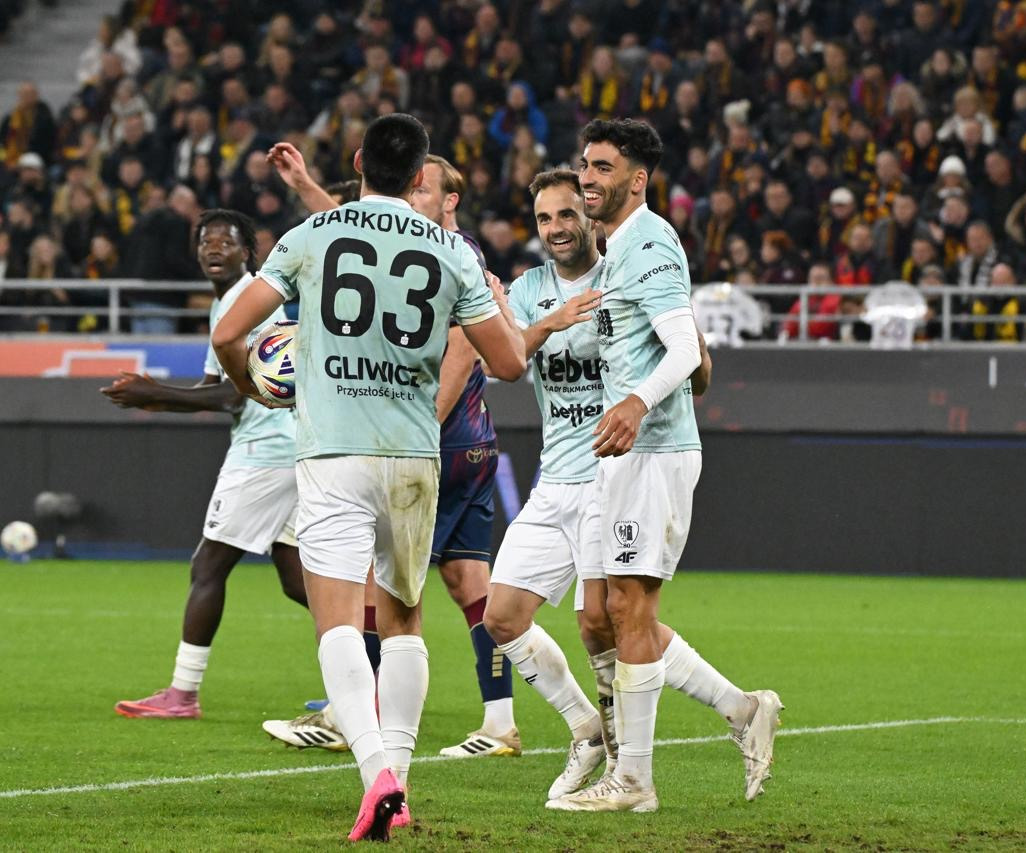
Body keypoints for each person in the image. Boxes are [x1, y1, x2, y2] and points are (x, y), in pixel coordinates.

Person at [211, 114, 526, 842]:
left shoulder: (310, 236)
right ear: (419, 177)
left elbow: (230, 333)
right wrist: (499, 308)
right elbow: (509, 363)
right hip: (413, 458)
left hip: (334, 455)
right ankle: (401, 782)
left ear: (357, 162)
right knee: (406, 619)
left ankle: (376, 773)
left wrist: (252, 384)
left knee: (340, 623)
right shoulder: (451, 251)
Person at [546, 119, 781, 813]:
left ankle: (634, 781)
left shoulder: (648, 241)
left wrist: (637, 402)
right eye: (585, 164)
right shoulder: (618, 249)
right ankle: (742, 708)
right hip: (619, 452)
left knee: (629, 608)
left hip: (651, 449)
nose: (588, 177)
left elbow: (681, 350)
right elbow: (688, 352)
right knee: (600, 615)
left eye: (603, 167)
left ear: (637, 179)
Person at [108, 209, 307, 719]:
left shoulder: (248, 302)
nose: (214, 248)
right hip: (291, 449)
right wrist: (156, 399)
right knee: (297, 580)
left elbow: (238, 395)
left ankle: (183, 694)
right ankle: (375, 652)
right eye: (206, 241)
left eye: (226, 240)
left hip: (266, 452)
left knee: (208, 566)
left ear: (248, 251)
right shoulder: (229, 303)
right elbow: (210, 388)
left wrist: (155, 391)